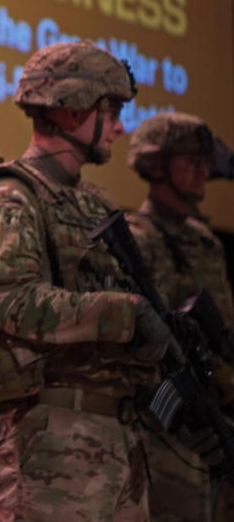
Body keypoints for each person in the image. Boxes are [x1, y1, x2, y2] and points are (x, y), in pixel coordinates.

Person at [0, 40, 182, 521]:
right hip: (46, 443)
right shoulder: (8, 195)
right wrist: (127, 315)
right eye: (112, 109)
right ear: (70, 109)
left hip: (119, 439)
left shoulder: (98, 205)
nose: (121, 127)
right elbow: (15, 300)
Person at [125, 111, 234, 522]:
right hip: (167, 428)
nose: (203, 172)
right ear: (156, 166)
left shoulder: (205, 241)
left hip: (217, 413)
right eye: (191, 162)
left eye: (205, 162)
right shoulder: (137, 239)